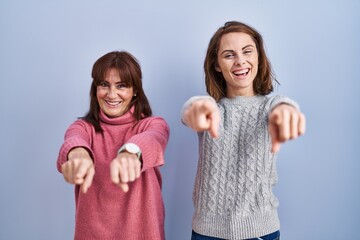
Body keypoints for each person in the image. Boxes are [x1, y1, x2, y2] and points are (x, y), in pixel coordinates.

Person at [181, 21, 306, 240]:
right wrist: (195, 108)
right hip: (206, 232)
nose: (240, 61)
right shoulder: (211, 108)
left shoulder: (270, 106)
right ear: (217, 64)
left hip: (260, 231)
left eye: (247, 51)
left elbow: (283, 105)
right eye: (229, 55)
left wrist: (287, 111)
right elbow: (194, 108)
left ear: (258, 56)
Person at [57, 51, 170, 240]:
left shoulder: (152, 124)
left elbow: (154, 139)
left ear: (135, 90)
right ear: (95, 89)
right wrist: (78, 155)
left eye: (121, 86)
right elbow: (74, 140)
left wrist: (131, 152)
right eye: (104, 84)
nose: (111, 94)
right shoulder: (83, 127)